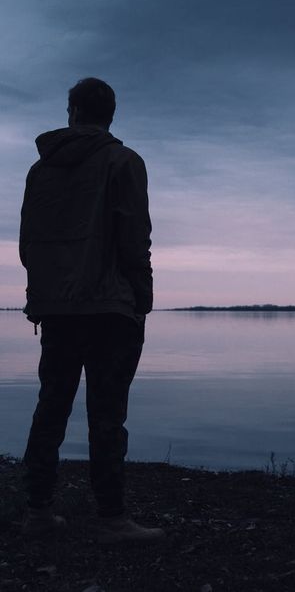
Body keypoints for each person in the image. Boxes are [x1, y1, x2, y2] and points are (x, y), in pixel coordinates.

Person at [19, 77, 164, 543]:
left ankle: (37, 510)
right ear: (110, 115)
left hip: (58, 308)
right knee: (107, 415)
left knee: (50, 408)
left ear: (73, 112)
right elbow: (133, 238)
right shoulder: (124, 161)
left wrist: (42, 296)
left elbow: (29, 245)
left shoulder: (40, 172)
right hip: (109, 309)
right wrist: (143, 299)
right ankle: (111, 518)